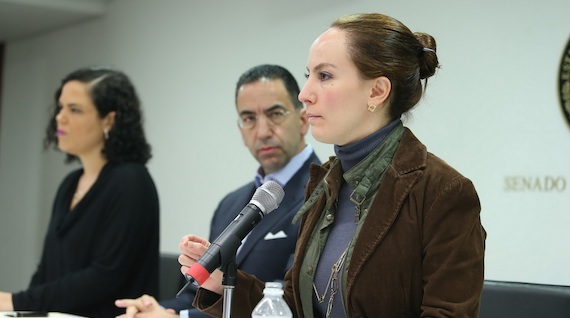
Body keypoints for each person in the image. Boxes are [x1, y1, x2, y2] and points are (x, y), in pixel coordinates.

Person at [180, 13, 486, 317]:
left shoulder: (443, 192)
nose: (305, 94)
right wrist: (223, 284)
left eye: (324, 76)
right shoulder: (325, 182)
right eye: (308, 75)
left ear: (377, 91)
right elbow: (295, 308)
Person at [115, 64, 320, 317]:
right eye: (249, 119)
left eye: (275, 113)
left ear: (302, 120)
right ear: (240, 130)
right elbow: (198, 296)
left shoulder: (324, 194)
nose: (263, 131)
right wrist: (159, 309)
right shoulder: (230, 205)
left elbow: (294, 303)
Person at [0, 67, 160, 317]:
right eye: (60, 107)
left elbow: (105, 276)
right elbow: (47, 269)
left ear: (109, 120)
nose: (60, 118)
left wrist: (17, 302)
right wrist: (22, 311)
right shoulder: (69, 184)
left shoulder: (131, 181)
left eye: (74, 110)